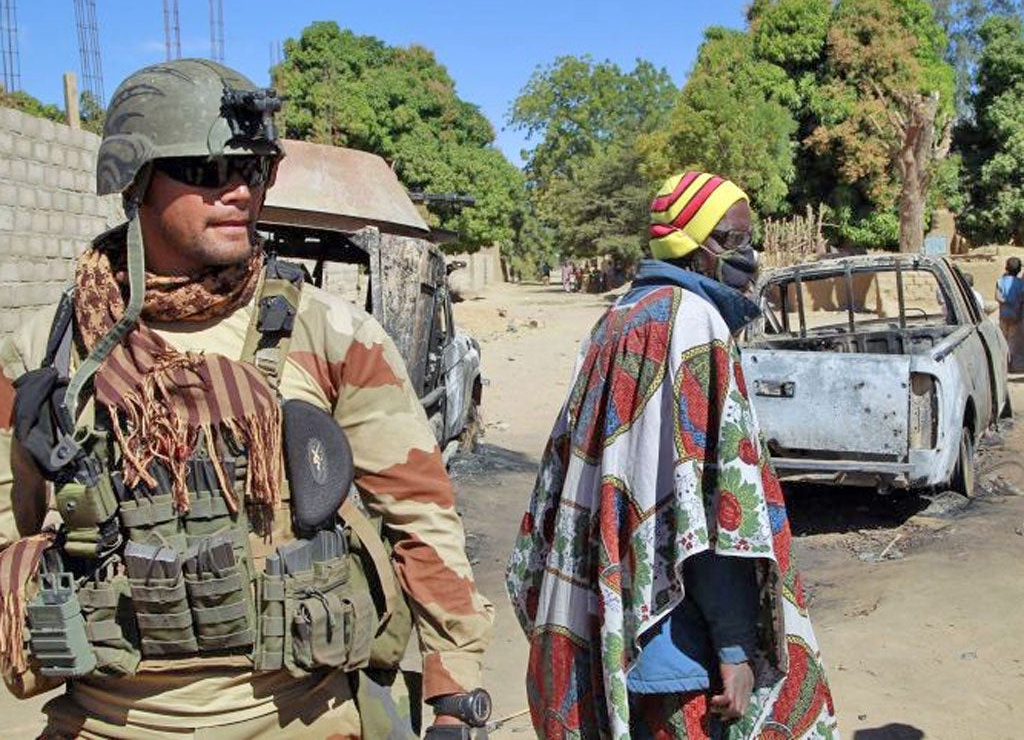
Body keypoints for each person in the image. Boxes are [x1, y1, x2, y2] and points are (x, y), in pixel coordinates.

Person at [0, 59, 493, 740]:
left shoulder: (329, 333)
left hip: (299, 718)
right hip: (103, 722)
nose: (238, 191)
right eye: (206, 171)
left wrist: (454, 694)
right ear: (133, 181)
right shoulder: (45, 356)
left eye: (255, 170)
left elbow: (420, 514)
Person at [507, 172, 837, 739]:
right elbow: (711, 505)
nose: (749, 255)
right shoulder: (691, 321)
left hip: (625, 627)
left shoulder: (620, 315)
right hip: (680, 648)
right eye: (733, 240)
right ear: (693, 244)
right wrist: (736, 646)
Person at [995, 257, 1024, 371]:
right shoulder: (1021, 283)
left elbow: (997, 297)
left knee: (1003, 338)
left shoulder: (1000, 281)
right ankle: (1013, 365)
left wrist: (1006, 301)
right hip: (1016, 316)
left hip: (1003, 315)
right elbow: (1022, 300)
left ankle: (1003, 364)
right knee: (1014, 341)